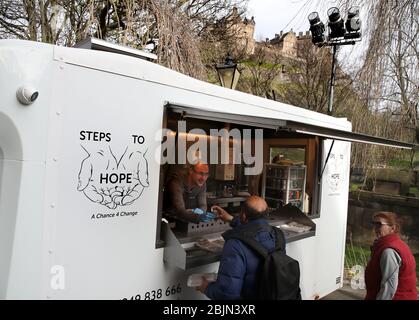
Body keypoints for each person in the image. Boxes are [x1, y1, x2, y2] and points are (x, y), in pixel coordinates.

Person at [196, 195, 278, 299]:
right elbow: (256, 227)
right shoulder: (278, 235)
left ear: (243, 216)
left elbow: (227, 295)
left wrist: (206, 287)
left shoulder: (235, 245)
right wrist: (231, 219)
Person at [364, 211, 417, 300]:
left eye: (379, 224)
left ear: (392, 228)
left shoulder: (389, 251)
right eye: (374, 224)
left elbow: (388, 288)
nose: (375, 228)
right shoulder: (396, 243)